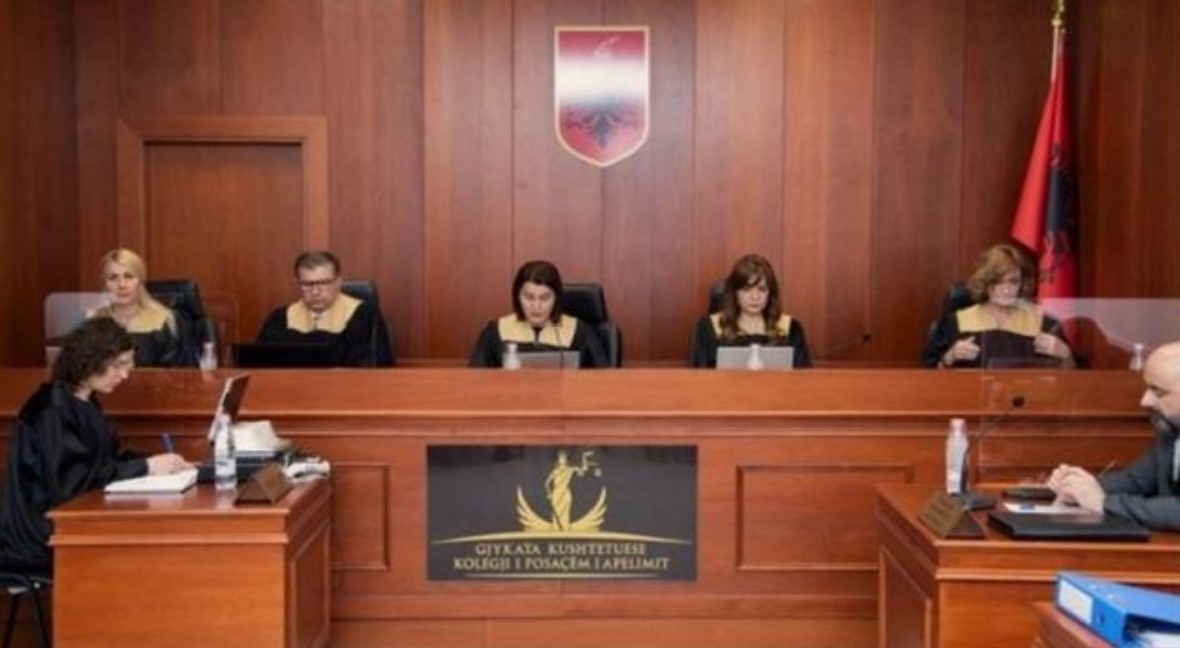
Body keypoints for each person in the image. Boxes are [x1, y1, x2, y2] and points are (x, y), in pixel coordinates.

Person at [0, 318, 192, 571]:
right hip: (42, 531)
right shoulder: (51, 410)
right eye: (117, 366)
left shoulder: (85, 401)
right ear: (90, 360)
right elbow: (73, 482)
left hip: (69, 517)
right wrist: (146, 467)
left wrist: (159, 463)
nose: (124, 375)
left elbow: (107, 459)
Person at [1048, 341, 1180, 531]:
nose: (1145, 400)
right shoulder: (1171, 430)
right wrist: (1080, 485)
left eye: (1158, 392)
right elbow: (1135, 481)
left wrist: (1102, 502)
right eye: (1147, 388)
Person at [922, 243, 1074, 369]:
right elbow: (931, 377)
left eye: (1013, 282)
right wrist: (949, 357)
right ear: (986, 282)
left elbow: (1072, 379)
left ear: (1022, 283)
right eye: (998, 282)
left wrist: (1066, 355)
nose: (1006, 290)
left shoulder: (1042, 323)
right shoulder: (957, 322)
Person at [256, 250, 394, 367]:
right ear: (298, 284)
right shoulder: (279, 319)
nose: (315, 291)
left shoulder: (365, 316)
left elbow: (372, 369)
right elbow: (262, 366)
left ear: (339, 282)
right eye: (307, 284)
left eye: (324, 283)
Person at [469, 260, 608, 368]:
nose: (536, 306)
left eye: (545, 298)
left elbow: (603, 380)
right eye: (529, 297)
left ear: (557, 299)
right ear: (517, 297)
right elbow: (477, 380)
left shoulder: (579, 332)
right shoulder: (496, 332)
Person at [690, 253, 812, 368]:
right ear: (734, 293)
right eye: (747, 289)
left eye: (762, 289)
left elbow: (804, 378)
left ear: (770, 293)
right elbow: (698, 377)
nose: (755, 297)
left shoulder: (790, 329)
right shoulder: (708, 328)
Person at [88, 248, 195, 367]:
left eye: (129, 276)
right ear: (105, 285)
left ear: (140, 282)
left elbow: (184, 373)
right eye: (113, 278)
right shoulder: (92, 323)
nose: (122, 285)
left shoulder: (166, 322)